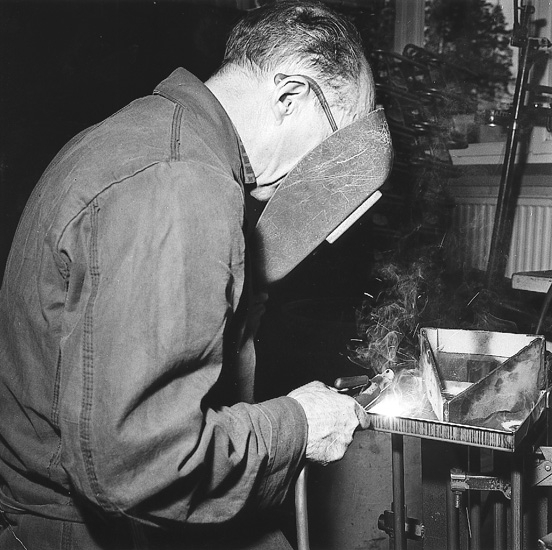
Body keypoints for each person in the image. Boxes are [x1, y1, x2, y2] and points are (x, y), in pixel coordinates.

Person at [0, 2, 390, 549]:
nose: (319, 175)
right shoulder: (184, 185)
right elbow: (145, 466)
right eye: (331, 146)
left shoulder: (148, 133)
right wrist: (299, 426)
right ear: (290, 96)